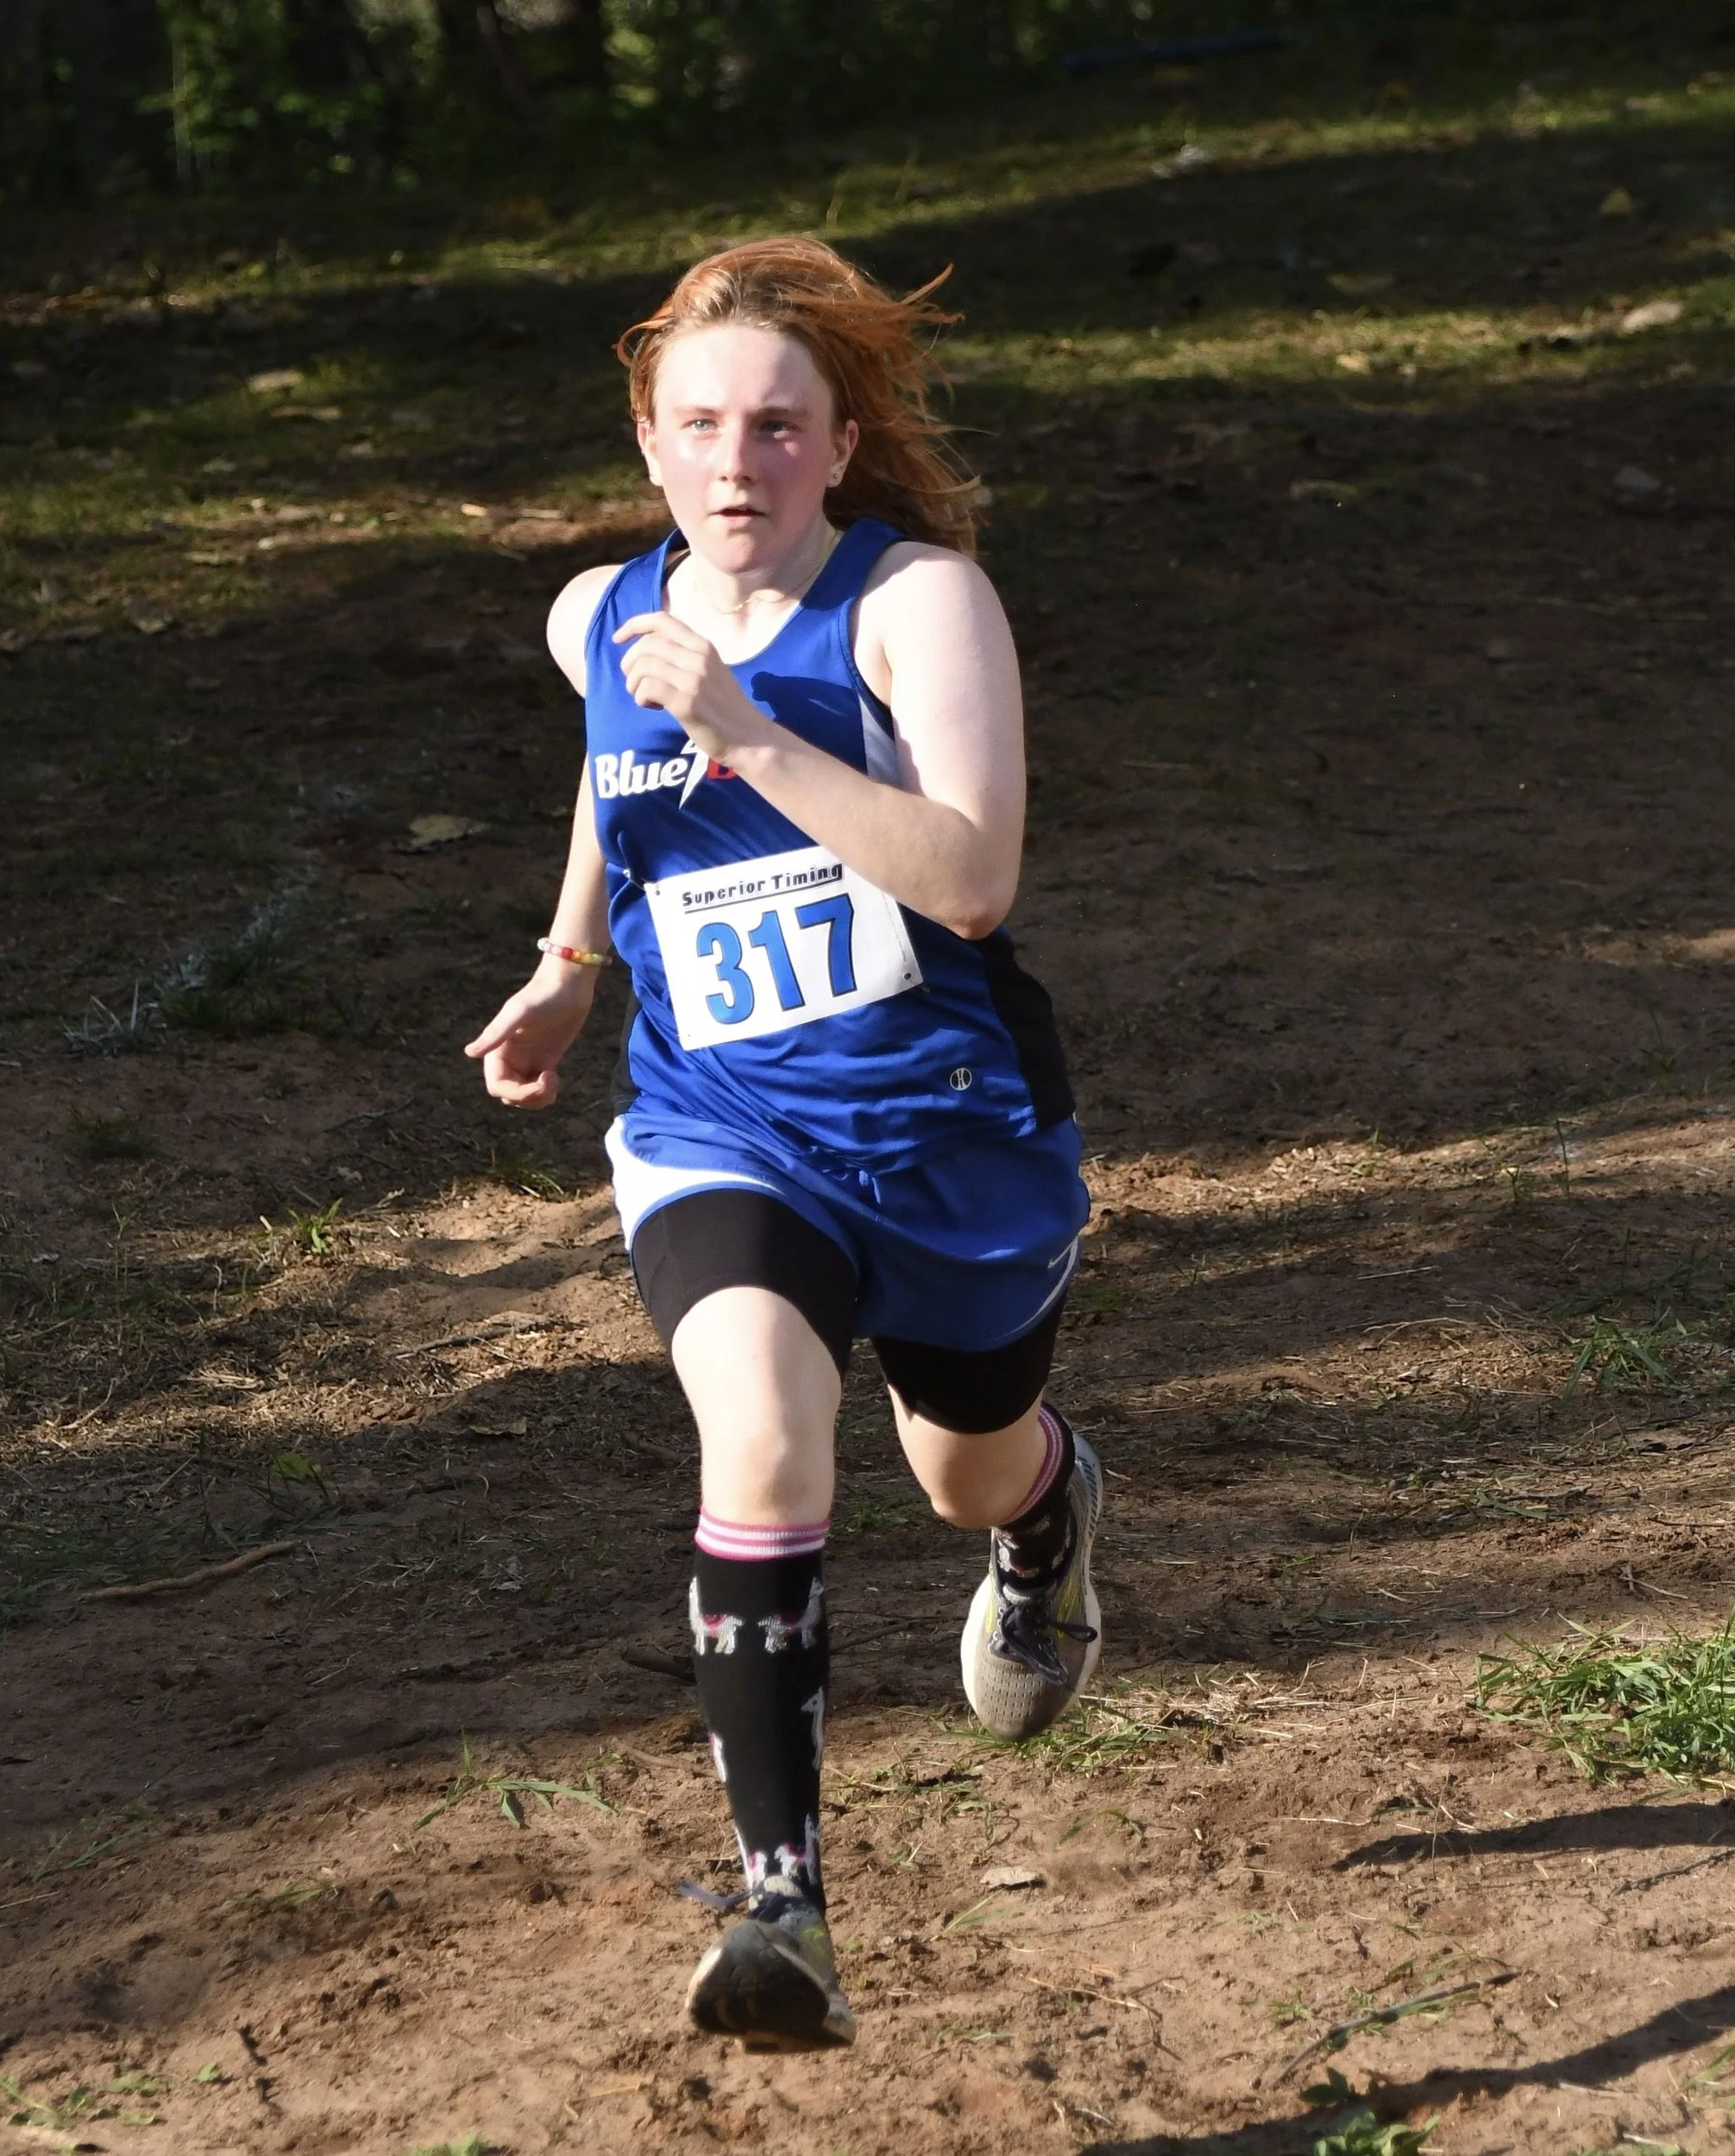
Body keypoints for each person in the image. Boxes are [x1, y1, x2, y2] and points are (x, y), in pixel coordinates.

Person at [464, 236, 1100, 2054]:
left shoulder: (915, 608)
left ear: (834, 443)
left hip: (948, 1140)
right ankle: (781, 1901)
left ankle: (1047, 1521)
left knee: (960, 1470)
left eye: (774, 426)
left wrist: (750, 740)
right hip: (718, 1123)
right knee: (755, 1427)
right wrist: (567, 959)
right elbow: (611, 763)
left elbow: (969, 881)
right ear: (650, 447)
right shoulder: (601, 615)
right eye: (698, 427)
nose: (735, 461)